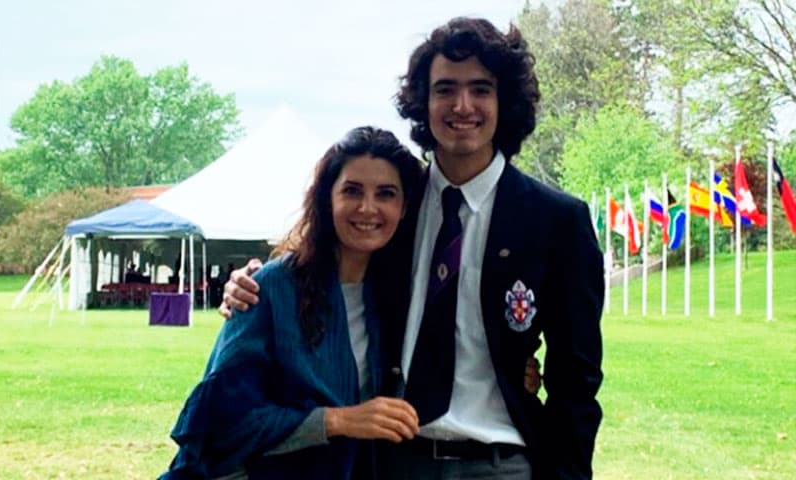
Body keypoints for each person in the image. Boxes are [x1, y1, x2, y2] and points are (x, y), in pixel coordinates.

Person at [223, 17, 604, 479]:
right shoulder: (391, 205)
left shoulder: (557, 221)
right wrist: (249, 283)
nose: (462, 105)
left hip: (502, 464)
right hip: (392, 459)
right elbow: (322, 265)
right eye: (445, 89)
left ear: (505, 101)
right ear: (423, 102)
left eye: (481, 89)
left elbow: (576, 382)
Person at [160, 126, 424, 479]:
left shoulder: (401, 297)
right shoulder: (270, 288)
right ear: (327, 198)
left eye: (386, 194)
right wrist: (338, 421)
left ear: (404, 207)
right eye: (352, 191)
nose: (368, 208)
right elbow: (221, 423)